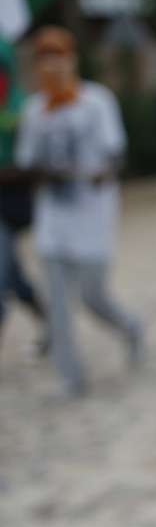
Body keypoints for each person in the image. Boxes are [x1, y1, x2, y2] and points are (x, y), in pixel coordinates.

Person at [15, 26, 142, 400]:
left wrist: (103, 173)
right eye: (43, 57)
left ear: (70, 58)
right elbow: (27, 162)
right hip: (53, 220)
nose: (50, 64)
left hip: (92, 217)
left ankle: (130, 326)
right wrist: (45, 172)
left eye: (57, 55)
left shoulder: (96, 102)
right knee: (57, 303)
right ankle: (72, 378)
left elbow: (116, 151)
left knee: (92, 295)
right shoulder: (34, 109)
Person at [0, 36, 47, 362]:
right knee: (14, 278)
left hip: (9, 203)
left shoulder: (21, 104)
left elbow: (35, 162)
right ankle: (53, 328)